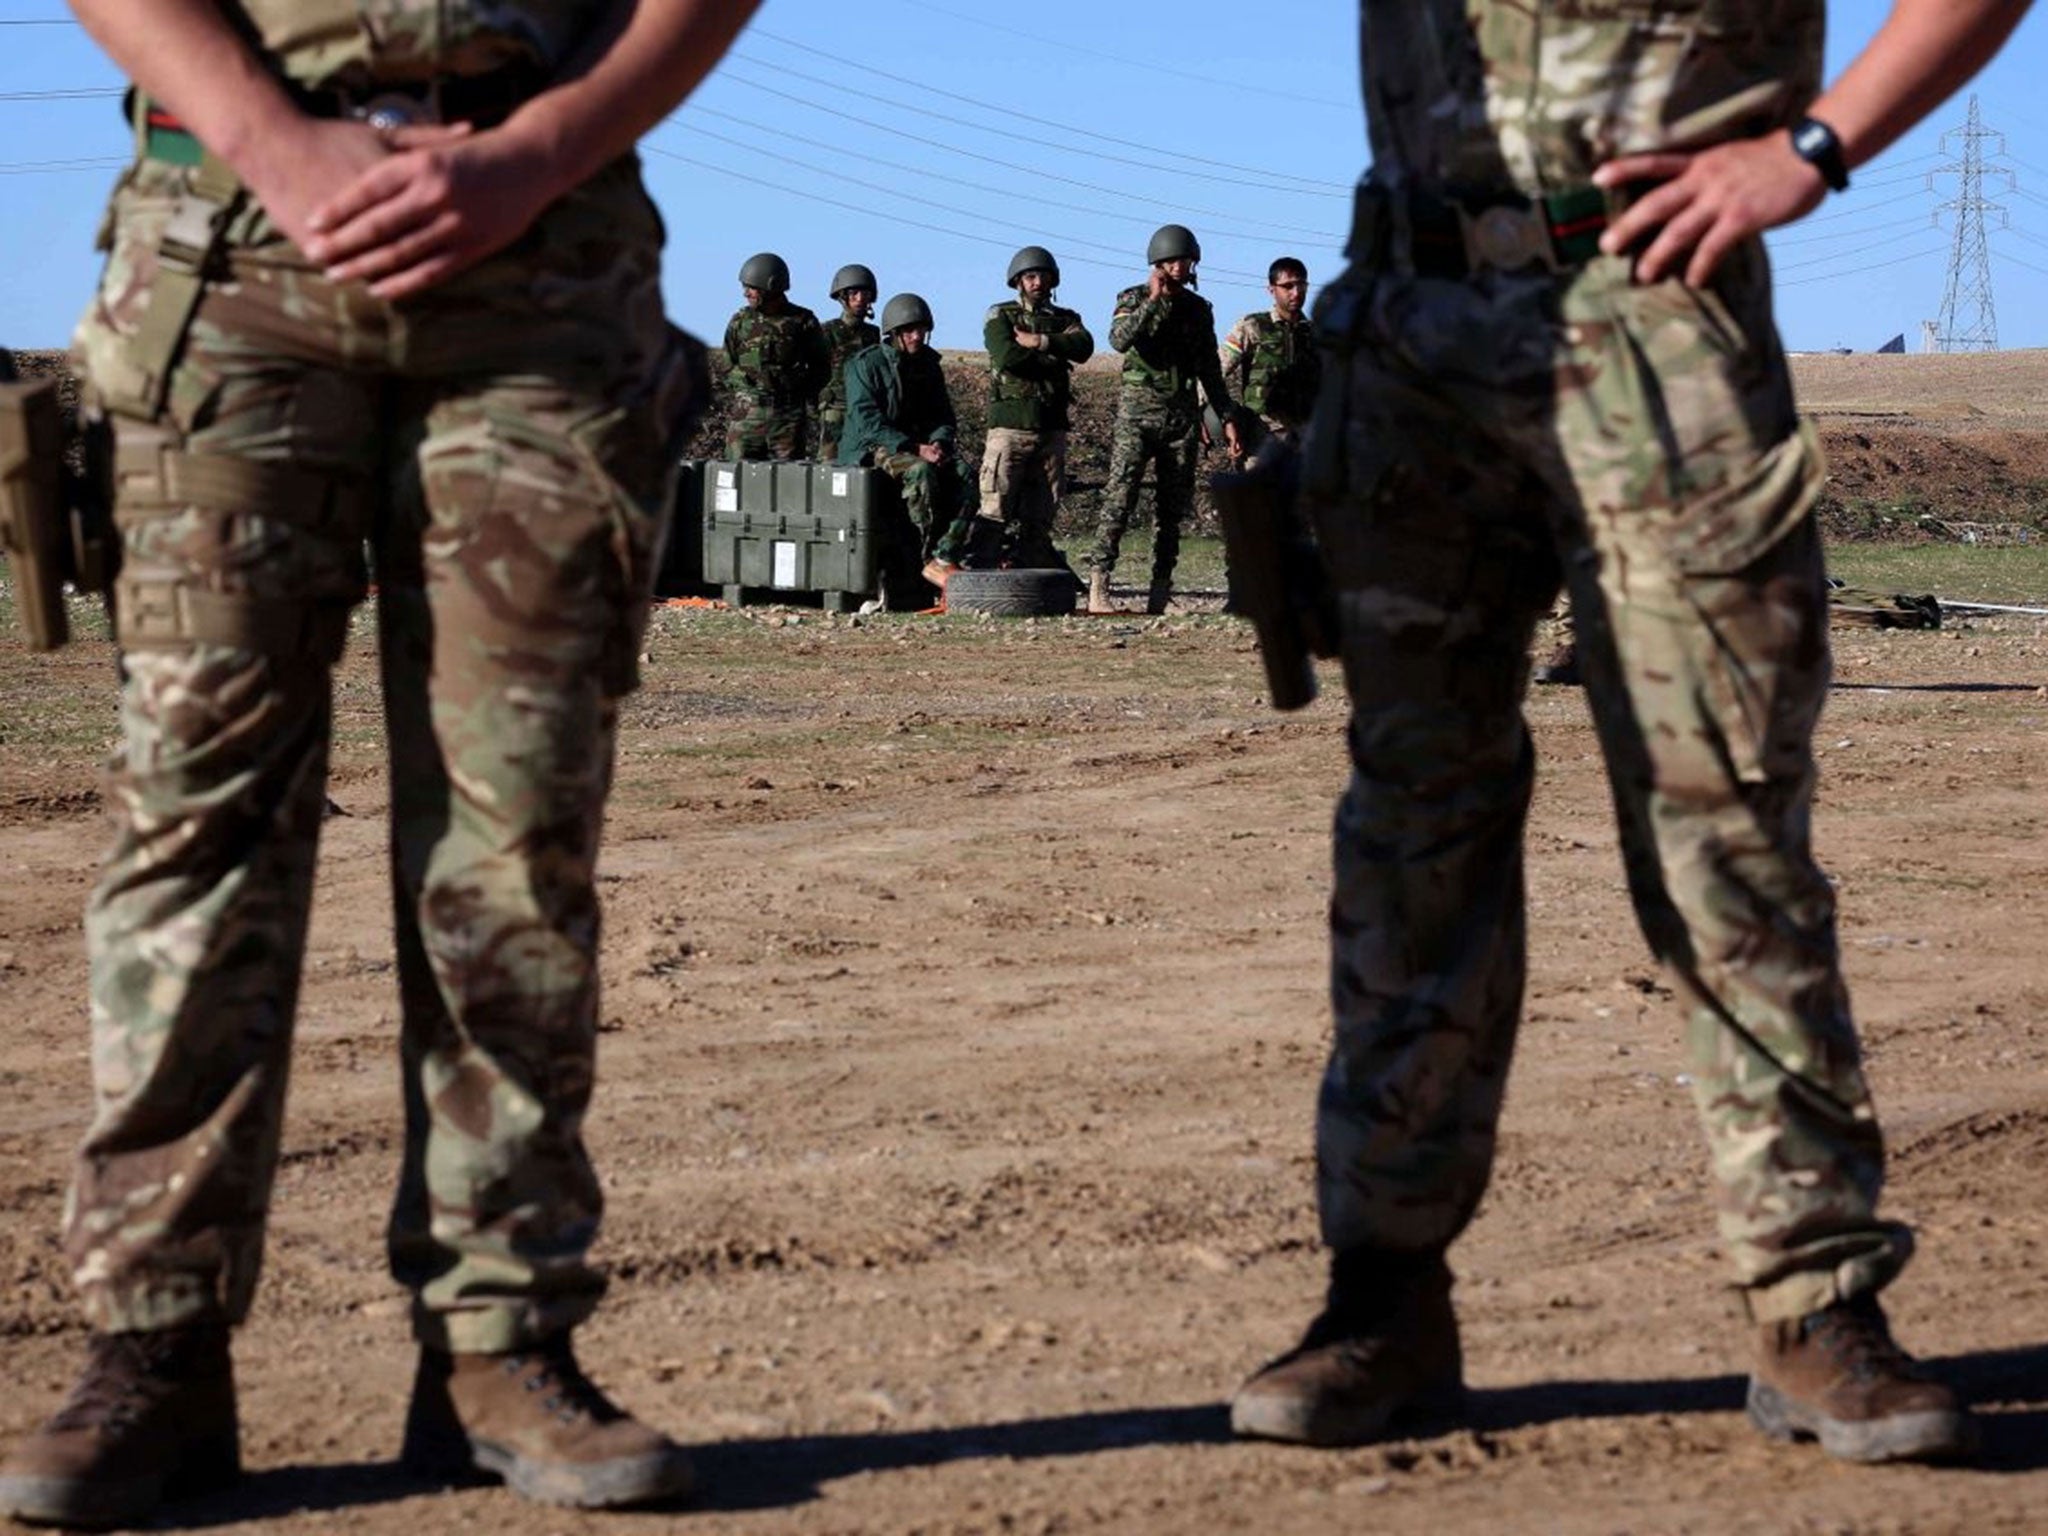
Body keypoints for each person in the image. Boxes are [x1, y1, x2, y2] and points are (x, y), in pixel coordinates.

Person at [1228, 0, 2033, 1468]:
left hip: (1652, 317)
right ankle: (1384, 1294)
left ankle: (1815, 1301)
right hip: (1407, 341)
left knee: (1718, 822)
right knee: (1413, 827)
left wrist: (1811, 148)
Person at [0, 0, 760, 1525]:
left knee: (517, 827)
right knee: (193, 820)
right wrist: (270, 135)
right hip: (232, 239)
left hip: (541, 258)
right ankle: (154, 1346)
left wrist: (541, 147)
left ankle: (498, 1344)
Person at [1089, 224, 1242, 615]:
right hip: (1138, 415)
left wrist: (1225, 415)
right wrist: (1153, 301)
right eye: (1172, 260)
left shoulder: (1197, 309)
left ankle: (1161, 589)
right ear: (1157, 263)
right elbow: (1119, 339)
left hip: (1182, 418)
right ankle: (1099, 585)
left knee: (1172, 509)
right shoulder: (1133, 298)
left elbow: (1210, 367)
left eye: (1185, 260)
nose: (1178, 266)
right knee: (1119, 498)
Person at [838, 293, 973, 587]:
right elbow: (867, 421)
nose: (917, 337)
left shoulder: (928, 365)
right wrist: (916, 448)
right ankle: (920, 560)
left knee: (964, 474)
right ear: (895, 333)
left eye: (921, 330)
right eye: (910, 331)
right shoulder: (865, 364)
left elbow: (943, 415)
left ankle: (944, 556)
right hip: (873, 447)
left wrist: (939, 443)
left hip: (918, 447)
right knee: (920, 473)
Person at [978, 245, 1095, 570]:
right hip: (1010, 427)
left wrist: (1040, 342)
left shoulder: (1065, 318)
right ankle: (981, 577)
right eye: (1030, 276)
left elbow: (1084, 346)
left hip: (1051, 428)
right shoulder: (1000, 314)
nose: (1037, 282)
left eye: (1043, 276)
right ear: (1018, 281)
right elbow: (1008, 357)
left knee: (1041, 512)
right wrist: (1057, 359)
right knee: (994, 507)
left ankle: (1030, 578)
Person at [721, 250, 828, 461]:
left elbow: (822, 367)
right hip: (746, 417)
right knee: (736, 479)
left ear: (771, 286)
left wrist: (797, 391)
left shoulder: (802, 321)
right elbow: (726, 364)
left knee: (786, 482)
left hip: (787, 419)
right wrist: (743, 384)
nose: (746, 293)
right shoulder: (740, 321)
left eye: (751, 288)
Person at [1218, 257, 1319, 452]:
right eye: (1288, 286)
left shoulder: (1317, 335)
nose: (1296, 293)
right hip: (1261, 437)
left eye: (1301, 285)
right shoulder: (1252, 326)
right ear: (1272, 290)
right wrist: (1218, 416)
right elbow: (1215, 371)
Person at [815, 262, 880, 462]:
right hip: (836, 409)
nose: (860, 299)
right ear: (842, 296)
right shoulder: (827, 331)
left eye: (865, 294)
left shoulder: (873, 333)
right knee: (829, 463)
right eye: (853, 293)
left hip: (866, 409)